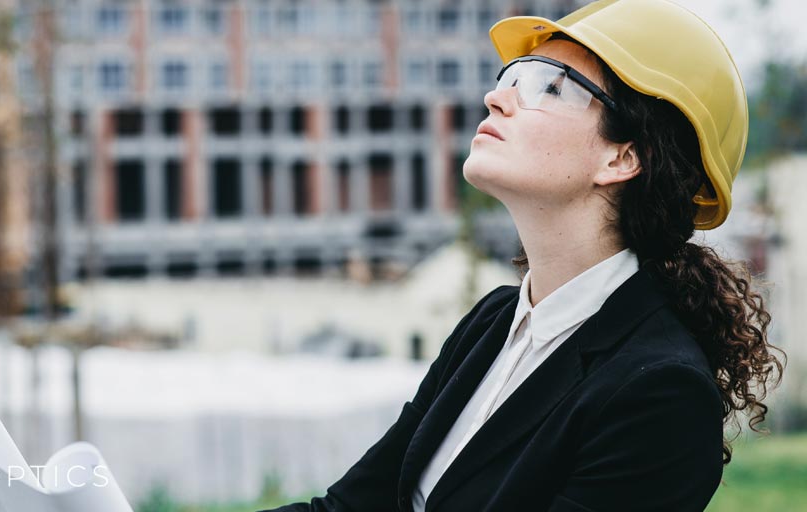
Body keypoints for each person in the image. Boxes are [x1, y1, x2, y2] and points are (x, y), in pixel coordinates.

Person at [265, 0, 786, 510]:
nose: (497, 99)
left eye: (551, 87)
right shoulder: (493, 323)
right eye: (513, 76)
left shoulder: (660, 394)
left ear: (623, 156)